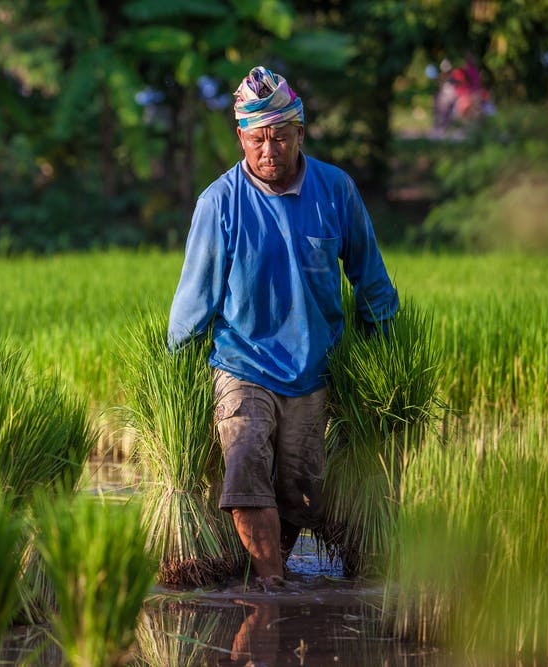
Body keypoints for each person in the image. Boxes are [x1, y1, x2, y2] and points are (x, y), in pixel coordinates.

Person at [167, 66, 398, 585]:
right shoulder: (219, 203)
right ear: (241, 139)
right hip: (241, 362)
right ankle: (272, 581)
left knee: (300, 488)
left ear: (299, 132)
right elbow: (193, 301)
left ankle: (274, 570)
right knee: (246, 458)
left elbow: (372, 279)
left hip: (313, 368)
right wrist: (172, 376)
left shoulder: (335, 191)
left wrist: (384, 359)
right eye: (256, 140)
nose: (268, 151)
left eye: (278, 138)